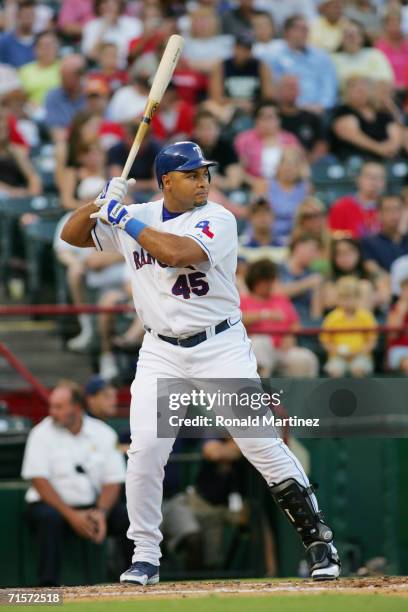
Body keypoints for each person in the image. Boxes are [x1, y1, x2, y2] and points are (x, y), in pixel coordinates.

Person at [60, 140, 341, 584]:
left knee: (261, 444)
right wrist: (98, 203)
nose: (203, 181)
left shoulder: (219, 217)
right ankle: (146, 555)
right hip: (160, 350)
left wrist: (123, 218)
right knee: (146, 452)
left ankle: (319, 542)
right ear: (167, 181)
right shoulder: (143, 214)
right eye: (192, 175)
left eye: (205, 173)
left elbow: (176, 254)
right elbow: (71, 236)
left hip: (220, 346)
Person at [21, 380, 130, 586]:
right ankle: (47, 587)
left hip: (92, 508)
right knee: (49, 518)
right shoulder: (40, 433)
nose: (52, 412)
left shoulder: (103, 433)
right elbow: (39, 481)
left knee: (126, 516)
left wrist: (100, 512)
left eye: (59, 407)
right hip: (51, 507)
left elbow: (113, 481)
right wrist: (72, 516)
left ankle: (134, 578)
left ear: (77, 408)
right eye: (52, 406)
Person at [241, 258, 319, 377]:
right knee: (260, 342)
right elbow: (239, 319)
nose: (270, 285)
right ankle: (261, 390)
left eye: (271, 281)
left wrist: (290, 335)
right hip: (255, 351)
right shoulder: (244, 300)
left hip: (283, 350)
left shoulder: (281, 300)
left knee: (304, 358)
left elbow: (295, 325)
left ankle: (304, 394)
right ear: (256, 282)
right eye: (266, 282)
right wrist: (264, 314)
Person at [265, 15, 338, 114]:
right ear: (287, 32)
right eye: (299, 29)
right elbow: (272, 86)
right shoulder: (274, 56)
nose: (304, 33)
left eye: (306, 29)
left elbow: (329, 86)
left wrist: (322, 105)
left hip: (317, 110)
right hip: (286, 108)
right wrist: (295, 106)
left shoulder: (321, 57)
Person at [207, 32, 275, 124]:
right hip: (227, 108)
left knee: (270, 110)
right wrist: (238, 104)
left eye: (247, 49)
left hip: (254, 107)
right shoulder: (222, 66)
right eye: (240, 48)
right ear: (234, 48)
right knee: (209, 106)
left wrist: (252, 105)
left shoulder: (261, 66)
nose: (244, 52)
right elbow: (216, 97)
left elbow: (268, 95)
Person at [330, 76, 402, 161]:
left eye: (364, 87)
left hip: (387, 156)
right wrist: (378, 148)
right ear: (347, 92)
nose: (361, 90)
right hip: (355, 157)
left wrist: (392, 147)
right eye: (355, 87)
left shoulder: (381, 113)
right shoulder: (343, 111)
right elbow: (348, 133)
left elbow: (396, 129)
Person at [320, 276, 377, 377]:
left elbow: (372, 340)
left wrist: (359, 352)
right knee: (335, 370)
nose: (346, 302)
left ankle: (360, 392)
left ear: (358, 298)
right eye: (343, 298)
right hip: (337, 357)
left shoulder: (366, 316)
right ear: (338, 299)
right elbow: (325, 341)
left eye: (350, 298)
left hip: (361, 356)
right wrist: (336, 351)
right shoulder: (332, 318)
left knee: (359, 369)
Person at [234, 100, 300, 187]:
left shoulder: (290, 140)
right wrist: (255, 182)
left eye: (270, 117)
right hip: (254, 185)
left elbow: (300, 167)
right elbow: (237, 169)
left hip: (285, 185)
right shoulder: (244, 140)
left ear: (279, 120)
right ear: (256, 120)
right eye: (262, 117)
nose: (266, 122)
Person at [276, 74, 328, 163]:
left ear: (300, 91)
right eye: (288, 87)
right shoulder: (272, 117)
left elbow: (322, 143)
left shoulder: (311, 117)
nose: (291, 90)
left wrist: (310, 160)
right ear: (279, 90)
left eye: (294, 87)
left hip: (309, 163)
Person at [328, 161, 385, 239]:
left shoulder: (390, 207)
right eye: (369, 177)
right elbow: (333, 237)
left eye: (379, 177)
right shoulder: (341, 206)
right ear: (358, 179)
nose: (374, 181)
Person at [332, 19, 394, 90]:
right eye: (347, 36)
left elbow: (386, 80)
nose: (351, 39)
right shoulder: (333, 59)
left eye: (353, 35)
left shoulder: (375, 55)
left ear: (362, 38)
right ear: (341, 39)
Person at [81, 0, 142, 68]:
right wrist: (104, 28)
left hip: (129, 66)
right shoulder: (91, 26)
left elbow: (136, 50)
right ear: (99, 5)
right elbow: (91, 55)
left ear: (119, 4)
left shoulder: (134, 24)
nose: (109, 5)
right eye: (105, 2)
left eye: (113, 2)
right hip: (100, 68)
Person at [279, 234, 324, 324]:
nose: (314, 255)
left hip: (306, 323)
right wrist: (308, 283)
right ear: (298, 247)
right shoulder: (278, 269)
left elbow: (317, 314)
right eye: (312, 250)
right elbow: (278, 292)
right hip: (282, 321)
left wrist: (314, 325)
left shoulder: (314, 274)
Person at [361, 194, 408, 275]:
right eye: (388, 210)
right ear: (379, 214)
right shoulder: (369, 242)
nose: (394, 214)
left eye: (398, 209)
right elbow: (373, 270)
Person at [44, 54, 86, 143]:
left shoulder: (92, 93)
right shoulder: (53, 96)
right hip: (66, 142)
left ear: (80, 76)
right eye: (62, 75)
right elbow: (55, 129)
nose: (62, 79)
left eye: (67, 75)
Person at [18, 31, 61, 110]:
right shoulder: (25, 70)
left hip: (59, 111)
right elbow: (20, 97)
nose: (49, 49)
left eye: (52, 45)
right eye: (45, 46)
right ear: (36, 49)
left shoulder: (64, 68)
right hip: (32, 111)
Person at [0, 0, 36, 68]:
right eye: (26, 15)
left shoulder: (40, 41)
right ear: (18, 17)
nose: (28, 19)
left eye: (31, 15)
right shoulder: (4, 41)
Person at [386, 273, 408, 373]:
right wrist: (401, 313)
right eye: (406, 290)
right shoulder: (395, 310)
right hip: (399, 350)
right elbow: (392, 335)